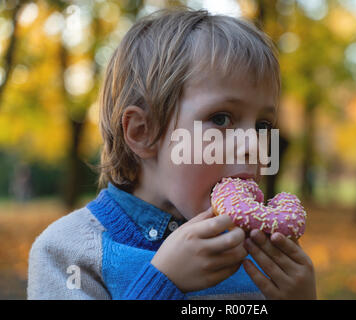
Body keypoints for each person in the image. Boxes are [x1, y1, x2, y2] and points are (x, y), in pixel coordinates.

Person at [27, 7, 316, 300]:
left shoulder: (262, 255)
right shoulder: (68, 251)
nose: (254, 145)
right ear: (143, 132)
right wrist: (163, 282)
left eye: (262, 124)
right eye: (221, 118)